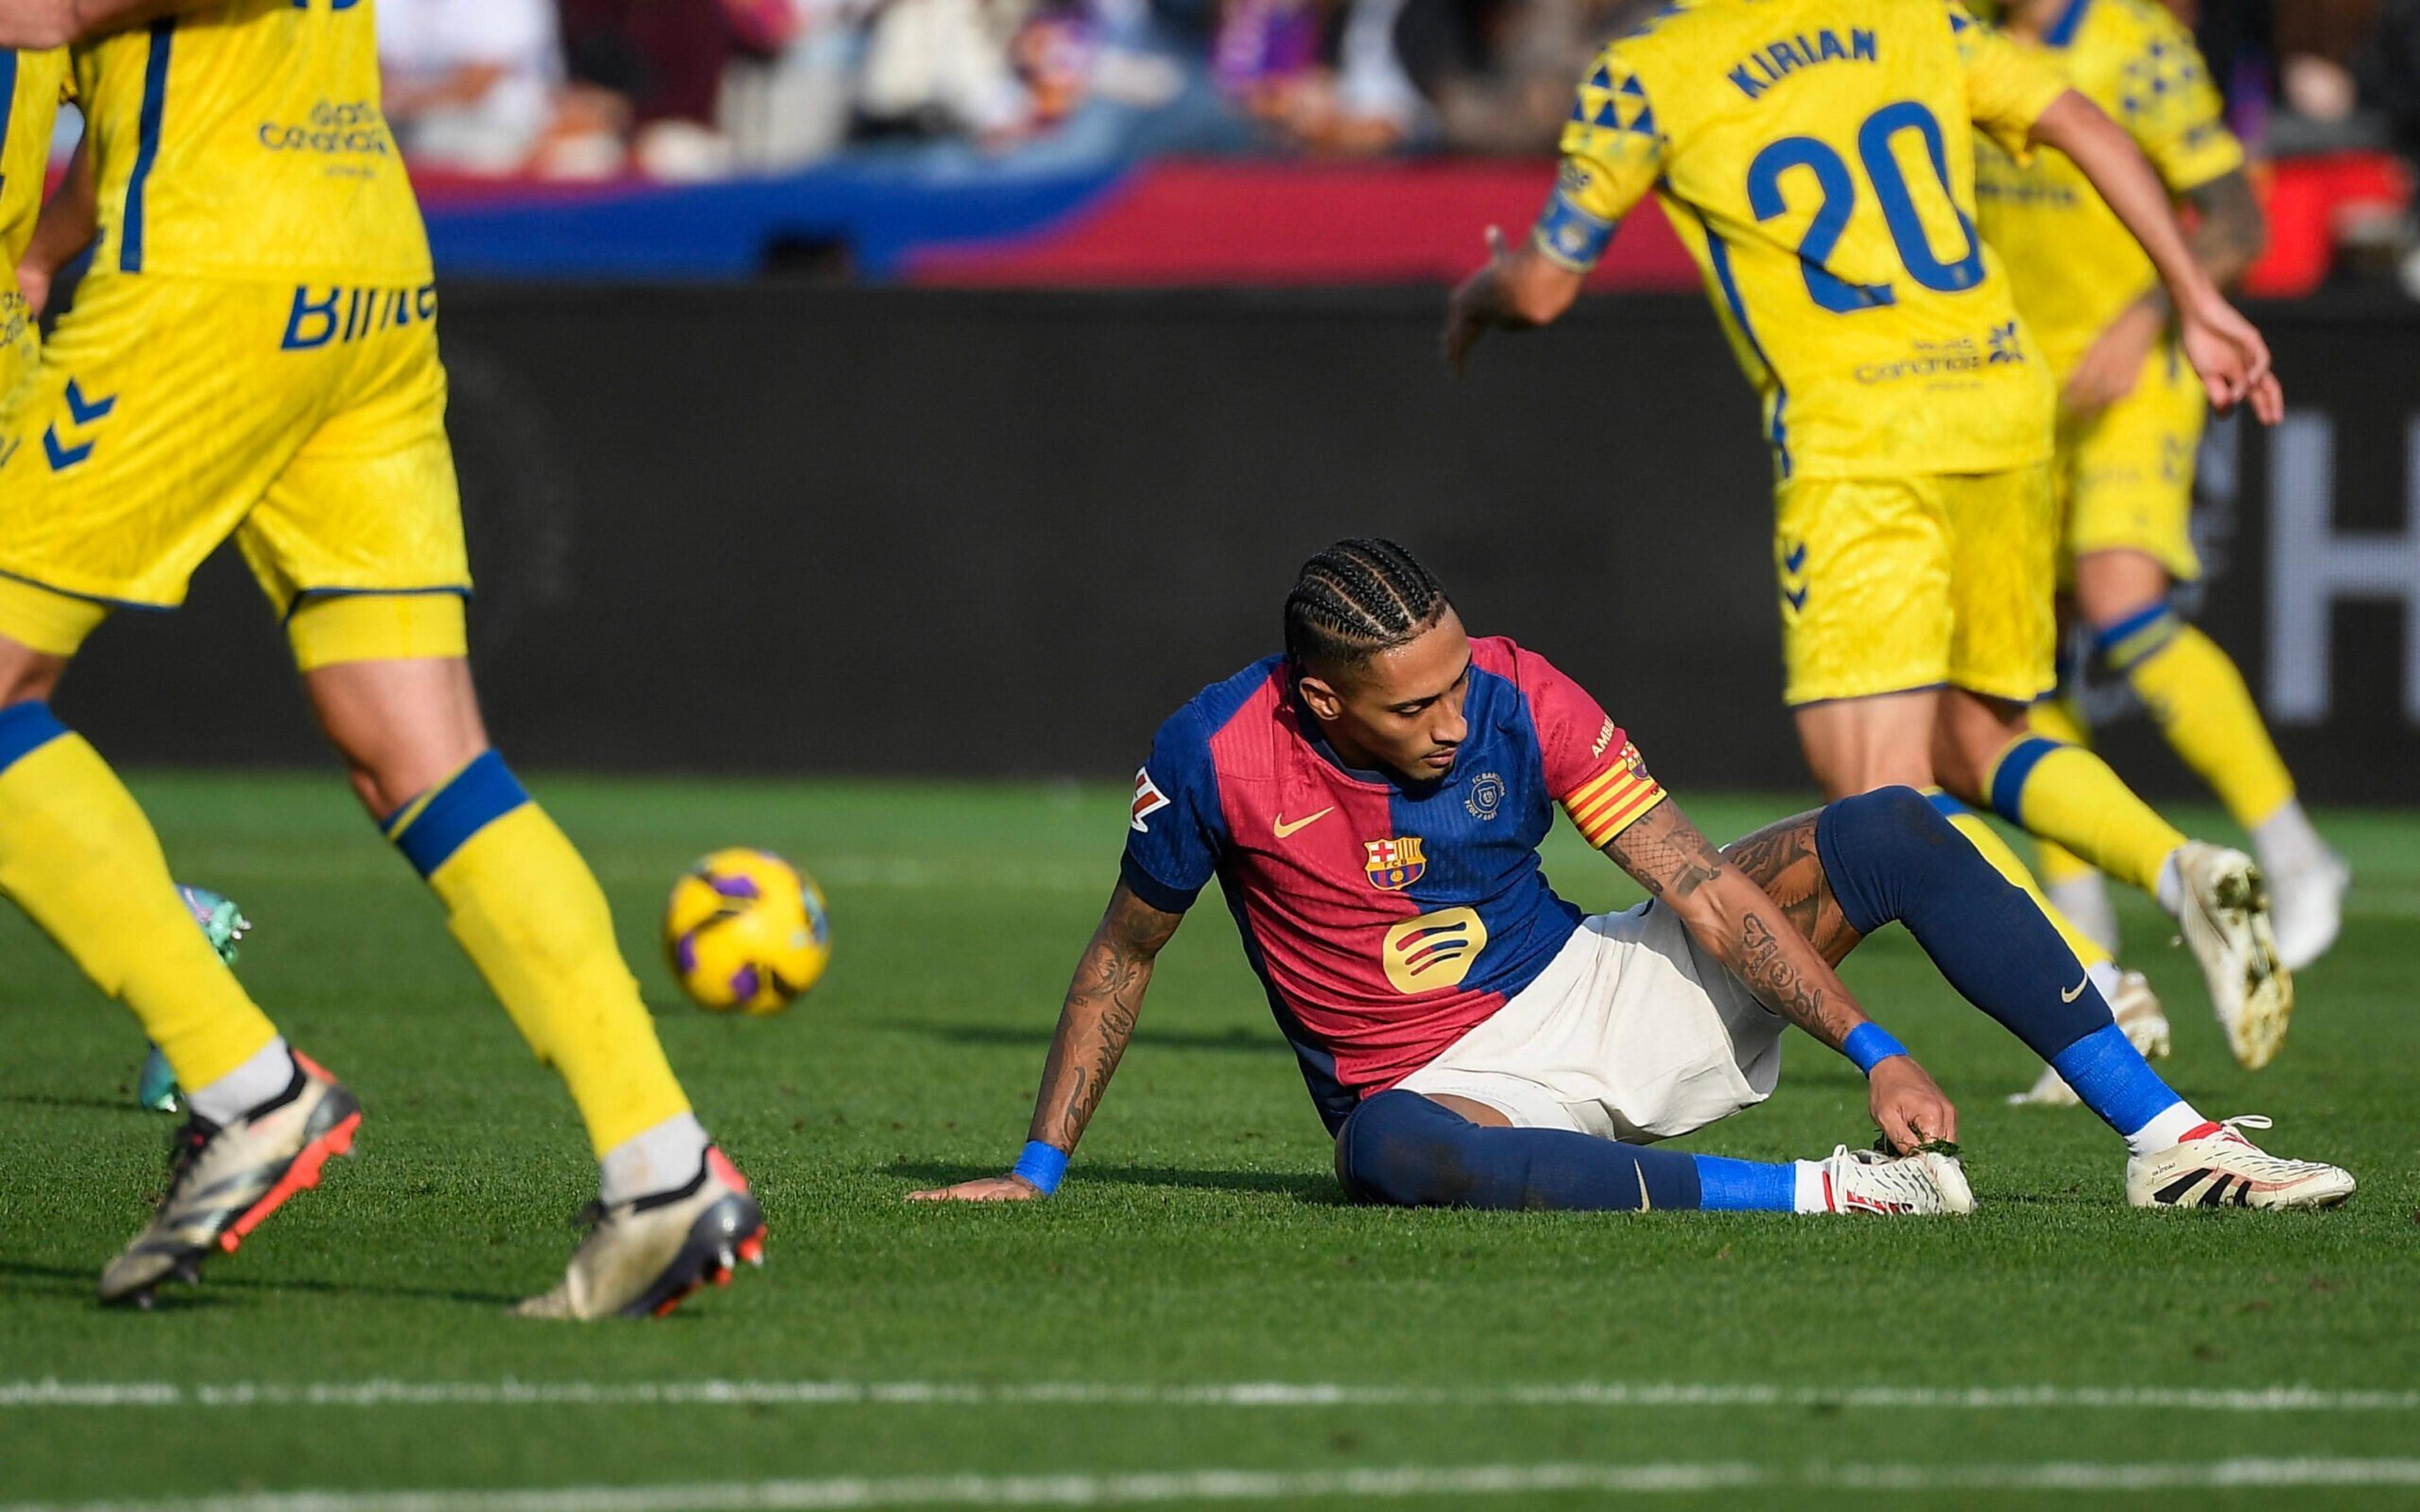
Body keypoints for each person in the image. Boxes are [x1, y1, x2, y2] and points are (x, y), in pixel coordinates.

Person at [0, 0, 760, 1319]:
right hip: (356, 256)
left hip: (209, 265)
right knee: (421, 751)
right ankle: (660, 1161)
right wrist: (47, 241)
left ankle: (246, 1089)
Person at [911, 539, 2351, 1215]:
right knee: (1389, 1160)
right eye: (1410, 708)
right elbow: (1123, 958)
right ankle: (1833, 1198)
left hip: (1602, 981)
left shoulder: (1523, 695)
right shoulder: (1215, 754)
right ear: (1319, 702)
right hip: (1442, 1088)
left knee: (1895, 822)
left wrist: (1877, 1044)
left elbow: (1705, 890)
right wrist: (1038, 1176)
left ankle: (2174, 1142)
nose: (1452, 719)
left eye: (1457, 681)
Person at [1439, 0, 2302, 1076]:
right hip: (2001, 406)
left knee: (1880, 792)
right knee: (1980, 740)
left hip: (1861, 442)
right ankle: (2180, 869)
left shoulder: (1649, 72)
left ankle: (2098, 989)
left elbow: (1545, 284)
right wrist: (2194, 297)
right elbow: (2083, 119)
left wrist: (1480, 293)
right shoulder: (1913, 21)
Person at [1974, 0, 2347, 984]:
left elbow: (2238, 218)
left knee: (2118, 603)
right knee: (2021, 654)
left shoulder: (2135, 47)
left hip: (2135, 372)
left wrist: (2150, 315)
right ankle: (2090, 944)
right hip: (2016, 382)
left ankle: (2298, 853)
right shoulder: (1951, 41)